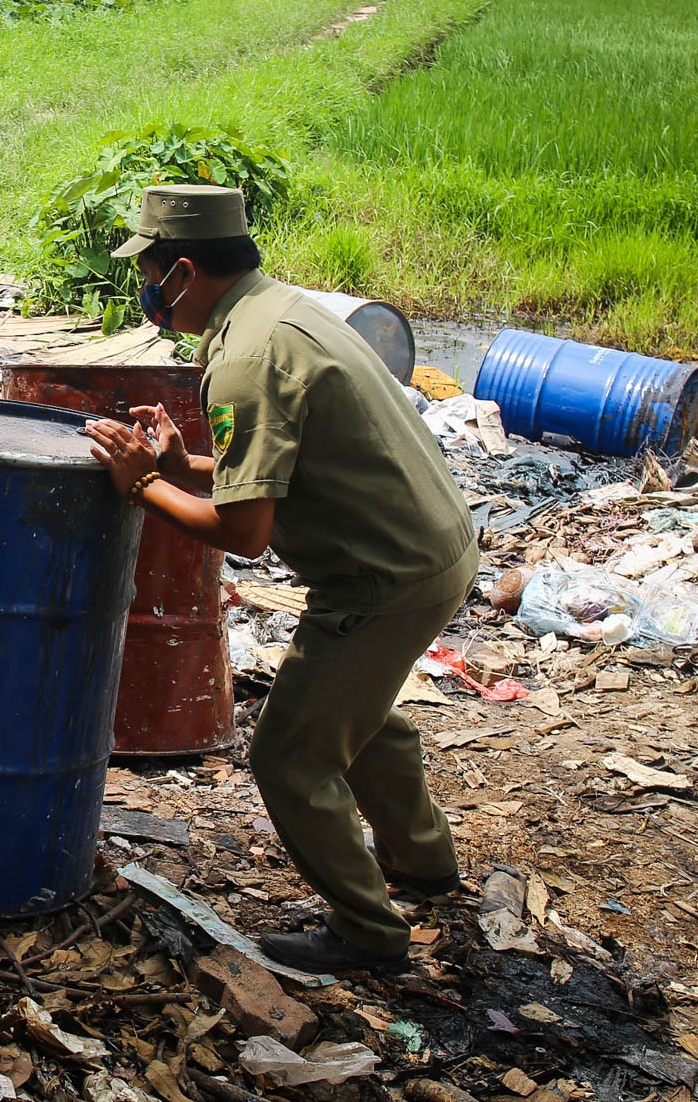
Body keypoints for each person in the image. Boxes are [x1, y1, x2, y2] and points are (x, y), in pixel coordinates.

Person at [84, 183, 479, 974]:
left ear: (184, 270)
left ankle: (370, 933)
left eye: (150, 272)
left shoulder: (243, 358)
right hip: (435, 548)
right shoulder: (279, 310)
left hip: (384, 577)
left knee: (290, 757)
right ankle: (424, 860)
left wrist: (140, 487)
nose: (148, 291)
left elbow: (244, 533)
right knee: (356, 713)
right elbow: (268, 469)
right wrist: (177, 464)